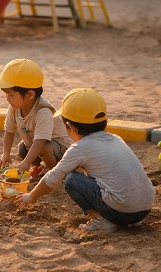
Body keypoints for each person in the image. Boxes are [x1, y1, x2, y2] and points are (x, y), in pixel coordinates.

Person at [15, 88, 154, 233]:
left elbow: (54, 177)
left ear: (70, 128)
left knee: (71, 180)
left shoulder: (80, 148)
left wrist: (31, 197)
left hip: (121, 212)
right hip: (144, 209)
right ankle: (131, 220)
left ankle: (101, 221)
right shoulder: (116, 139)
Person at [0, 59, 72, 178]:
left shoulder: (43, 111)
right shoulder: (14, 107)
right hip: (42, 147)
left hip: (63, 152)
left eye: (11, 95)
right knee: (22, 148)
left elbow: (40, 141)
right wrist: (6, 154)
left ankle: (53, 171)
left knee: (43, 147)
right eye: (6, 94)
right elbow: (9, 131)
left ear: (30, 94)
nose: (7, 99)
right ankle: (43, 166)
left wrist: (26, 163)